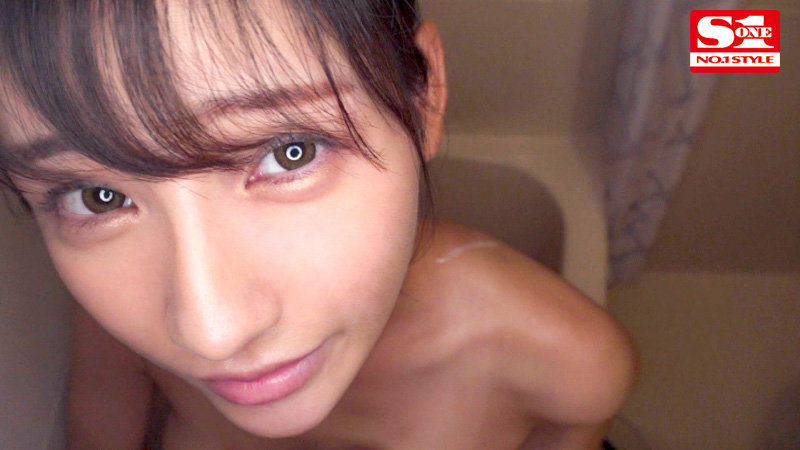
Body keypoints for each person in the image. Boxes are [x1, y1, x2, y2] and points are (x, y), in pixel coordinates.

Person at [0, 1, 639, 448]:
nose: (210, 333)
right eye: (99, 197)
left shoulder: (573, 365)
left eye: (289, 152)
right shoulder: (116, 320)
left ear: (423, 99)